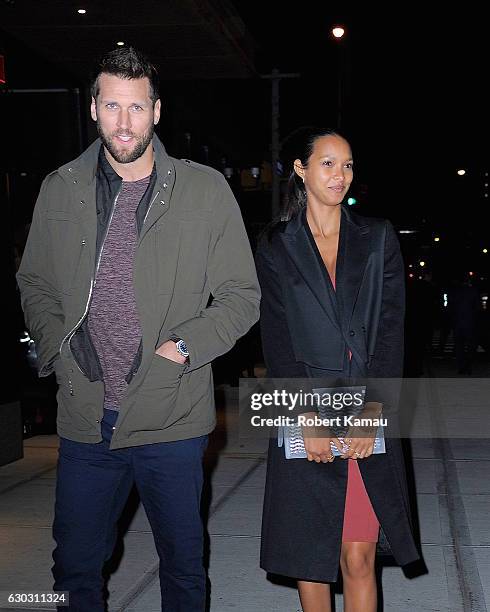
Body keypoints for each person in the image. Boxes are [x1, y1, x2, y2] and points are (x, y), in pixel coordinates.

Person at [16, 47, 260, 612]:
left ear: (156, 111)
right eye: (112, 106)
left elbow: (242, 297)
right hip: (85, 416)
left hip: (171, 417)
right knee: (74, 567)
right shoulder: (60, 188)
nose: (124, 122)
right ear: (94, 109)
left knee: (181, 567)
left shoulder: (205, 191)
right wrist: (61, 347)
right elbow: (34, 282)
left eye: (136, 107)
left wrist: (184, 347)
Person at [256, 128, 419, 611]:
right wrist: (307, 417)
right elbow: (277, 338)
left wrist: (373, 411)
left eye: (347, 164)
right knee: (310, 556)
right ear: (301, 170)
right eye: (327, 163)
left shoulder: (378, 238)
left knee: (359, 557)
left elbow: (391, 333)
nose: (339, 174)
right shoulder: (275, 245)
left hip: (365, 399)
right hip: (304, 399)